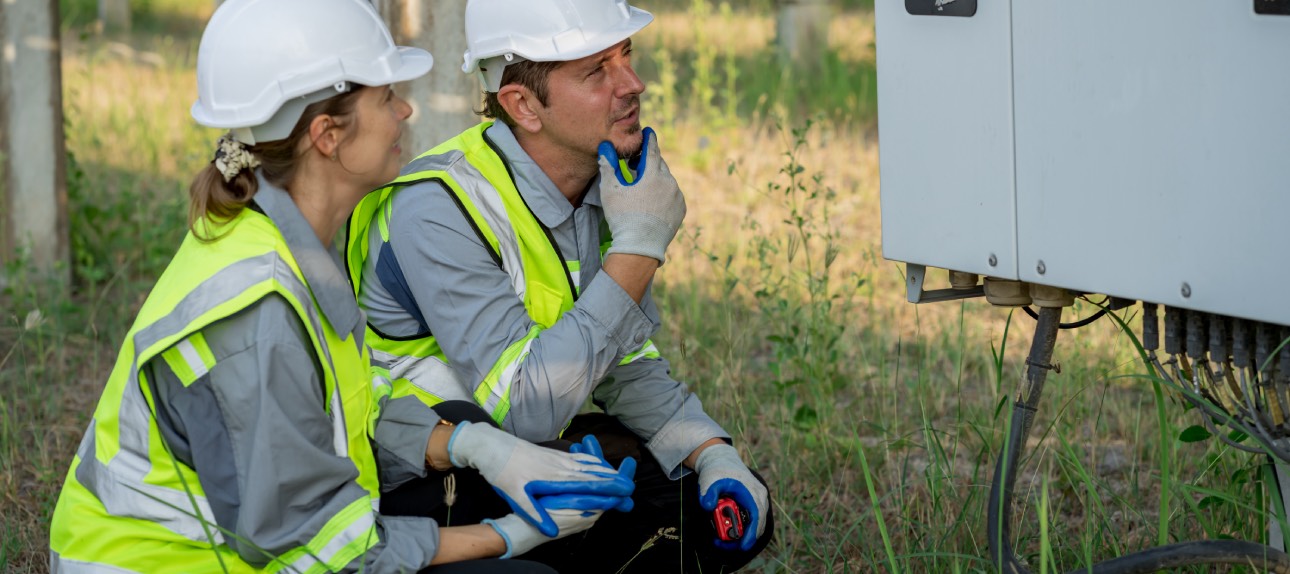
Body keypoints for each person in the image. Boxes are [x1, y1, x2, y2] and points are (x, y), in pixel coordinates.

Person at [47, 0, 636, 572]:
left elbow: (335, 408)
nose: (405, 111)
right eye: (385, 98)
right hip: (166, 565)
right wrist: (507, 536)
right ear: (327, 134)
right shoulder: (258, 311)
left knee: (465, 426)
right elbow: (320, 551)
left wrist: (467, 445)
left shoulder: (283, 239)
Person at [345, 0, 773, 570]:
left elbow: (624, 362)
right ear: (522, 105)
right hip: (419, 477)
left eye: (626, 56)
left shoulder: (595, 185)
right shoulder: (439, 207)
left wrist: (711, 453)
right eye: (596, 71)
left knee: (717, 507)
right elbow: (524, 410)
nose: (633, 84)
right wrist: (638, 249)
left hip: (514, 455)